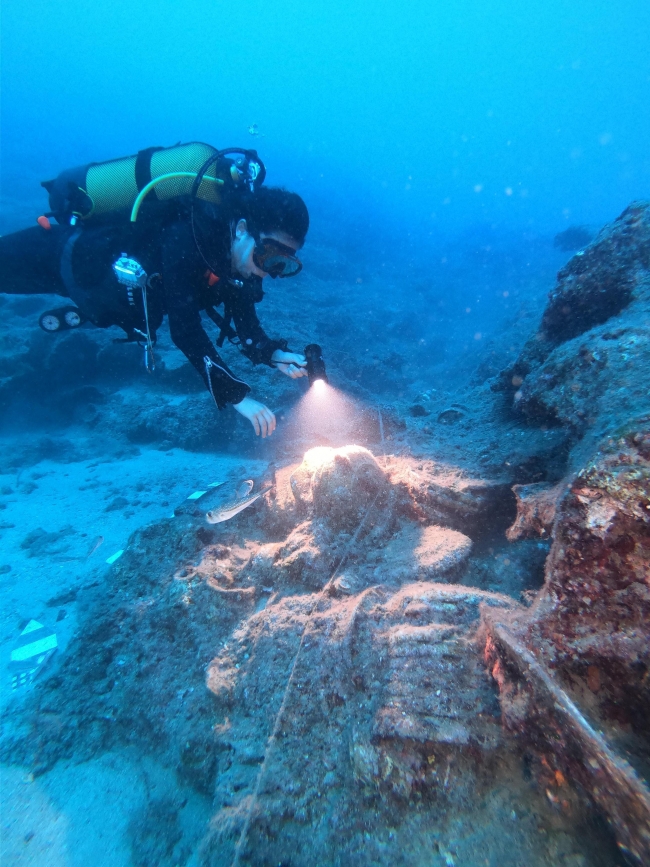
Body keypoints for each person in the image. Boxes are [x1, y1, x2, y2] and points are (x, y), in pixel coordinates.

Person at [0, 173, 310, 438]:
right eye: (269, 255)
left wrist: (274, 354)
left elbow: (245, 321)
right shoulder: (188, 238)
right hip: (62, 254)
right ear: (242, 229)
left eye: (283, 264)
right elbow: (184, 329)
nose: (269, 271)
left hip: (92, 292)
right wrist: (236, 395)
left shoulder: (238, 263)